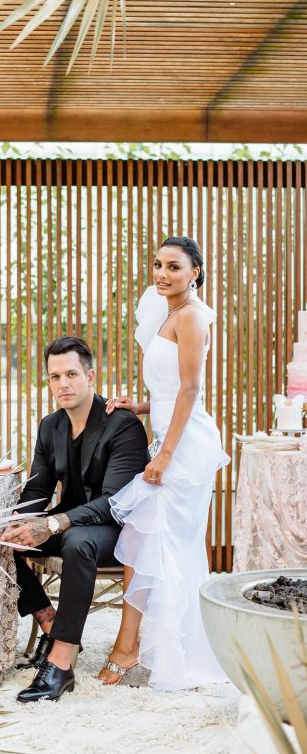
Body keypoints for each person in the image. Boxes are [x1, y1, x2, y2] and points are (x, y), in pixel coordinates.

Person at [97, 236, 230, 691]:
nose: (162, 273)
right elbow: (171, 392)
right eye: (158, 264)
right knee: (156, 542)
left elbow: (191, 391)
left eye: (174, 266)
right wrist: (140, 407)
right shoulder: (169, 314)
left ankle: (131, 646)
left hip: (186, 448)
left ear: (195, 272)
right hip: (171, 436)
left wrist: (166, 455)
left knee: (150, 536)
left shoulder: (191, 316)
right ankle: (151, 644)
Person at [1, 336, 149, 703]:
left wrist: (53, 523)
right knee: (0, 538)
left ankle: (61, 661)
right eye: (55, 377)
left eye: (71, 374)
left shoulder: (123, 425)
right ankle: (48, 620)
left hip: (116, 531)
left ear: (90, 376)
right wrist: (18, 521)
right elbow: (38, 489)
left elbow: (114, 502)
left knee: (77, 541)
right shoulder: (50, 426)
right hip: (68, 525)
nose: (62, 384)